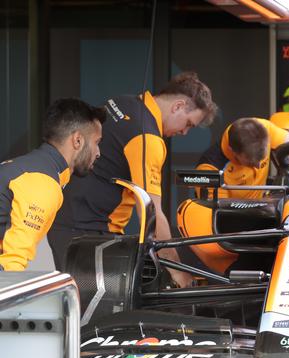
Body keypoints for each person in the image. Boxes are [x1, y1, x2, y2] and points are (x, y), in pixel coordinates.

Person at [48, 71, 217, 288]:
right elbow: (151, 213)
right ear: (178, 106)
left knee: (78, 304)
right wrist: (177, 271)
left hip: (67, 217)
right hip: (88, 232)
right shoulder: (148, 138)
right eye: (189, 124)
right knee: (92, 311)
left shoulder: (123, 102)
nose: (184, 132)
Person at [0, 99, 103, 271]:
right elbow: (11, 266)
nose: (98, 152)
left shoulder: (24, 167)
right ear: (77, 140)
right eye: (97, 142)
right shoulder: (43, 182)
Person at [196, 117, 289, 200]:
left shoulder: (263, 128)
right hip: (233, 227)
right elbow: (221, 216)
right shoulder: (210, 170)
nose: (259, 166)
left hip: (263, 210)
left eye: (262, 158)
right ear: (233, 150)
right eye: (250, 162)